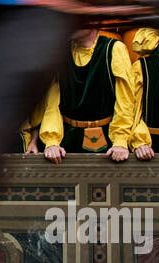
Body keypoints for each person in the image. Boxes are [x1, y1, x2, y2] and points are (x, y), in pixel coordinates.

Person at [39, 26, 145, 162]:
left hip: (107, 140)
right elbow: (52, 103)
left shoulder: (113, 48)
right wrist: (51, 141)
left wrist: (120, 141)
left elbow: (125, 100)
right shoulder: (60, 52)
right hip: (67, 141)